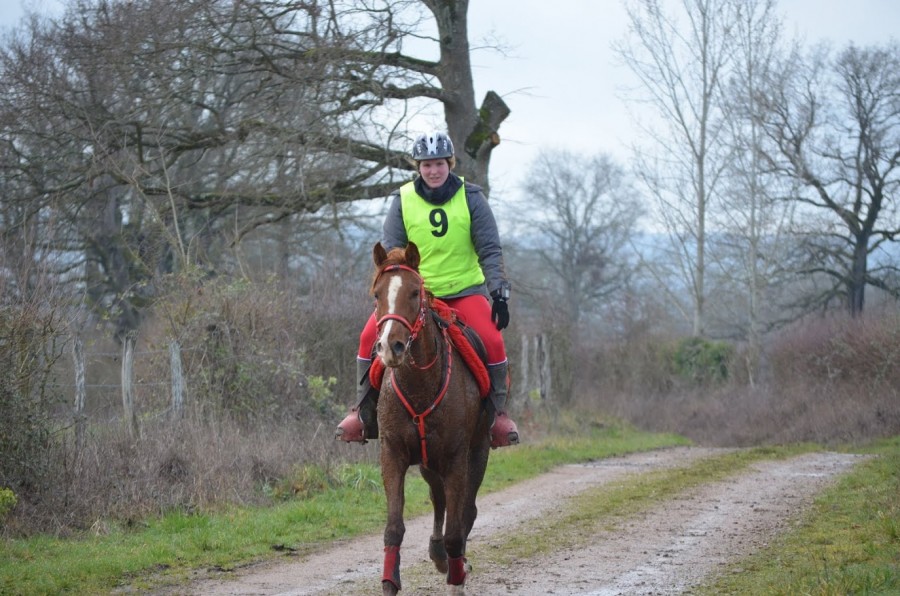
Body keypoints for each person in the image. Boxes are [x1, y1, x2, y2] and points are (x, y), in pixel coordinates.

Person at [336, 131, 519, 449]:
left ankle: (497, 418)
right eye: (426, 165)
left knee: (492, 339)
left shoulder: (471, 197)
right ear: (417, 167)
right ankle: (363, 414)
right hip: (415, 295)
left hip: (464, 290)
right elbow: (392, 251)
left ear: (449, 164)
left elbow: (490, 249)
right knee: (369, 337)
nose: (433, 171)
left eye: (438, 164)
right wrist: (400, 288)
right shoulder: (403, 199)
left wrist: (499, 292)